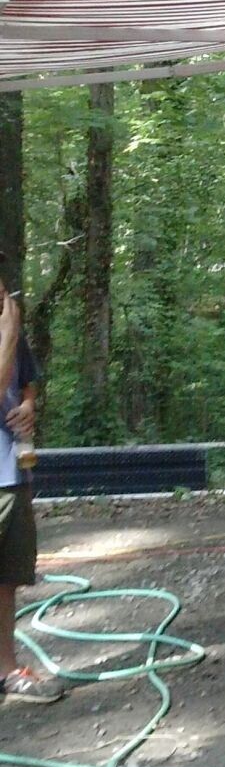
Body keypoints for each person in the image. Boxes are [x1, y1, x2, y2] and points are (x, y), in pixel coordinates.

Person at [0, 269, 63, 704]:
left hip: (11, 469)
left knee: (7, 577)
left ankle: (6, 670)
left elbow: (27, 381)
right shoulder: (8, 326)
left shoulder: (8, 328)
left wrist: (27, 406)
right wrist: (8, 330)